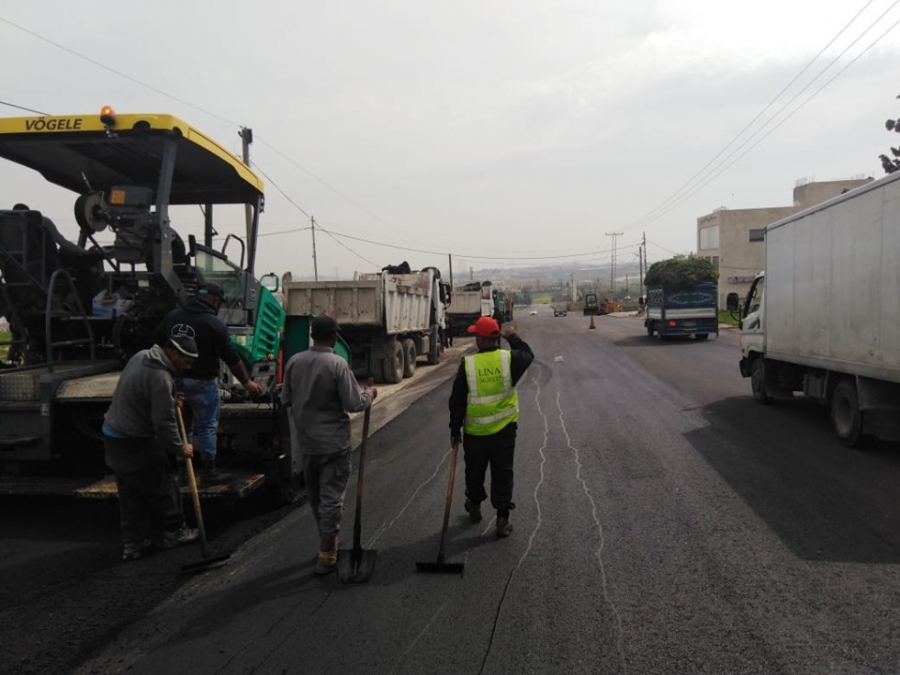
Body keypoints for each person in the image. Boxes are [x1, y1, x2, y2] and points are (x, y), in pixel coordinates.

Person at [281, 315, 377, 575]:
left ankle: (328, 539)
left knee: (316, 498)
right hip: (334, 444)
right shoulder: (337, 363)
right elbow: (354, 403)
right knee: (332, 498)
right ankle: (327, 553)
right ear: (334, 336)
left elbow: (285, 399)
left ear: (312, 335)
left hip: (306, 445)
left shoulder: (294, 361)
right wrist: (370, 394)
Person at [102, 335, 201, 561]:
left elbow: (141, 391)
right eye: (187, 361)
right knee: (163, 485)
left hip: (113, 434)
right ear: (174, 355)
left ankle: (134, 543)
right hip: (135, 440)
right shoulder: (160, 378)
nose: (189, 366)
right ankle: (175, 532)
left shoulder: (142, 357)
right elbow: (163, 424)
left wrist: (169, 397)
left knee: (130, 491)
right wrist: (180, 448)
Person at [153, 283, 263, 482]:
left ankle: (184, 472)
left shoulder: (173, 316)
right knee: (206, 427)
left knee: (182, 427)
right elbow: (231, 356)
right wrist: (247, 382)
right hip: (202, 383)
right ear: (213, 299)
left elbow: (156, 343)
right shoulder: (213, 323)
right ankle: (208, 472)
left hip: (176, 382)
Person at [449, 315, 534, 538]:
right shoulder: (509, 360)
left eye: (476, 334)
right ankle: (502, 521)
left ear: (480, 339)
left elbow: (457, 399)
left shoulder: (468, 364)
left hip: (475, 434)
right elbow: (528, 354)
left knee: (474, 473)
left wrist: (454, 429)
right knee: (503, 474)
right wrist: (512, 336)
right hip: (504, 432)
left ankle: (474, 507)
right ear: (496, 338)